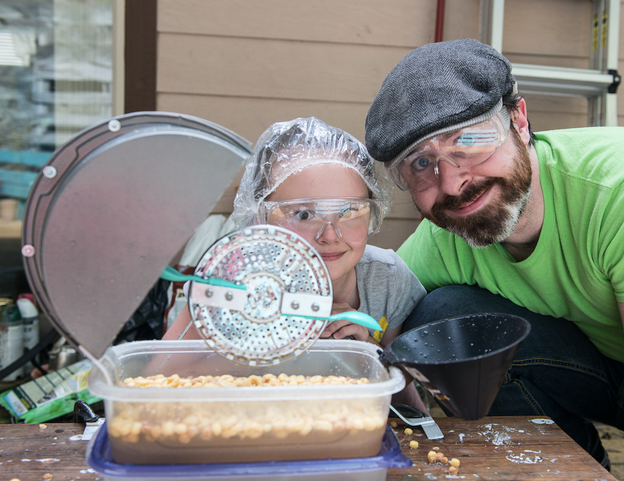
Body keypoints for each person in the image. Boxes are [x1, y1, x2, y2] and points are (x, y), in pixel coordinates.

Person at [364, 38, 624, 480]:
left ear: (519, 120)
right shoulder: (447, 233)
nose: (453, 183)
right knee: (436, 317)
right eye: (420, 163)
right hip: (607, 364)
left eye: (470, 140)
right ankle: (574, 467)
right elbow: (372, 326)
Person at [163, 117, 428, 409]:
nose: (330, 235)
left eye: (349, 211)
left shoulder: (387, 280)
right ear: (260, 217)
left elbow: (404, 400)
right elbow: (158, 384)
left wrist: (366, 353)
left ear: (374, 212)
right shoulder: (225, 288)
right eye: (303, 214)